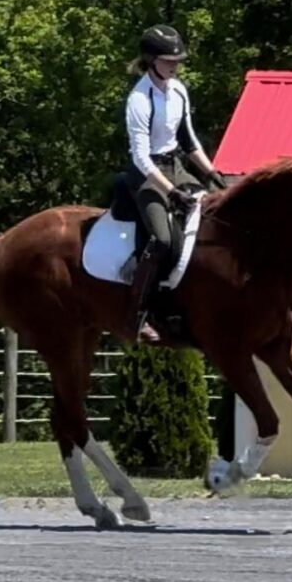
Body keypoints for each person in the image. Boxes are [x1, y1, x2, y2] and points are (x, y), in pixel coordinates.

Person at [120, 23, 226, 343]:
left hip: (175, 165)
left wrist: (211, 173)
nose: (175, 65)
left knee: (210, 217)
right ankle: (138, 315)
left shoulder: (178, 89)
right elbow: (141, 158)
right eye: (169, 60)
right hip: (146, 175)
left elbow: (188, 139)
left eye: (177, 61)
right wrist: (171, 192)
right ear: (151, 60)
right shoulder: (139, 99)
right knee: (164, 239)